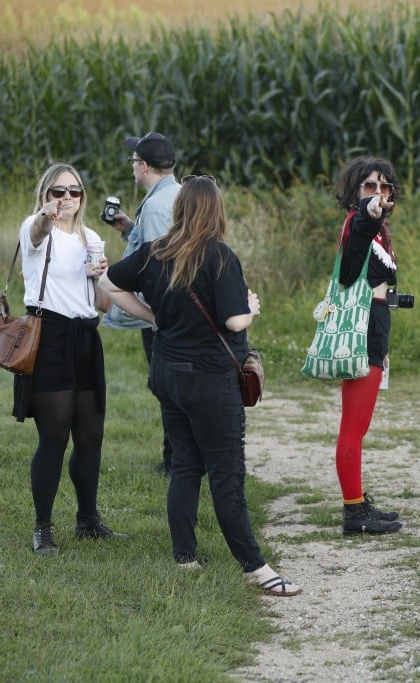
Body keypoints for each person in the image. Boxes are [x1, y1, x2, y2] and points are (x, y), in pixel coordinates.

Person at [99, 175, 301, 596]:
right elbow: (234, 321)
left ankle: (185, 557)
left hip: (167, 372)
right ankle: (256, 568)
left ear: (179, 210)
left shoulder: (155, 251)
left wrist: (153, 317)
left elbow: (108, 283)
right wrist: (251, 308)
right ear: (216, 211)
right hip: (209, 379)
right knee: (227, 472)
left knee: (186, 464)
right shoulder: (219, 256)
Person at [13, 163, 128, 555]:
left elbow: (103, 303)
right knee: (54, 437)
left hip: (85, 337)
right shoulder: (36, 229)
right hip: (50, 337)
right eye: (58, 191)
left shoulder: (91, 237)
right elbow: (36, 231)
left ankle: (88, 521)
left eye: (74, 191)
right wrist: (45, 217)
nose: (66, 198)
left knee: (91, 436)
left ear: (83, 196)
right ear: (45, 195)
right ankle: (42, 529)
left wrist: (100, 276)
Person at [101, 131, 181, 475]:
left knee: (166, 386)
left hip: (161, 313)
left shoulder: (157, 207)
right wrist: (129, 229)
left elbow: (158, 264)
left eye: (134, 160)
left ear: (144, 166)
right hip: (171, 310)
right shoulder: (175, 194)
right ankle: (178, 457)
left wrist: (152, 315)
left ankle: (175, 461)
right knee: (170, 385)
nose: (133, 165)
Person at [332, 156, 404, 536]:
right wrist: (370, 213)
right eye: (369, 186)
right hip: (362, 326)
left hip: (373, 325)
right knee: (353, 426)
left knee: (358, 426)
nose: (378, 193)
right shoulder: (359, 224)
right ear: (355, 191)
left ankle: (357, 500)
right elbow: (361, 230)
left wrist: (383, 342)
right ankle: (353, 512)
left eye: (384, 186)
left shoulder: (380, 232)